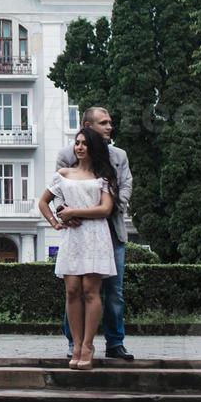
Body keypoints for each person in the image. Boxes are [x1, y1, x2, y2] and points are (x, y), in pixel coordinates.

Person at [56, 107, 135, 361]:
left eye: (110, 122)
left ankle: (115, 342)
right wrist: (65, 211)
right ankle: (74, 343)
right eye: (104, 123)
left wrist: (109, 208)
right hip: (77, 232)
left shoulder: (119, 155)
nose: (110, 127)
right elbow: (56, 193)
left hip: (110, 230)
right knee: (75, 290)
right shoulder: (66, 155)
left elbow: (125, 186)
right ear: (87, 126)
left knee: (114, 290)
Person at [39, 128, 119, 370]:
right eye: (77, 143)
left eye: (84, 143)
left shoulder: (104, 176)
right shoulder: (63, 174)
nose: (79, 147)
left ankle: (87, 345)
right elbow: (43, 202)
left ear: (94, 147)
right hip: (73, 237)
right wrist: (55, 222)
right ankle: (75, 345)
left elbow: (105, 209)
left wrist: (73, 211)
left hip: (96, 235)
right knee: (72, 290)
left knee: (90, 291)